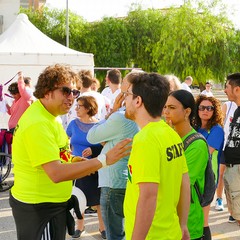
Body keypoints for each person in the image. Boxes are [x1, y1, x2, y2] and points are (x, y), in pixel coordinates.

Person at [9, 64, 132, 240]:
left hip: (49, 206)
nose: (71, 98)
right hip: (40, 208)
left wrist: (75, 161)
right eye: (66, 91)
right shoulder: (38, 123)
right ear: (47, 91)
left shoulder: (50, 116)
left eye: (74, 92)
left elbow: (58, 154)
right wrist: (104, 160)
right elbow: (56, 173)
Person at [123, 72, 190, 240]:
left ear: (138, 101)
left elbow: (148, 196)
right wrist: (182, 225)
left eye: (127, 95)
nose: (124, 100)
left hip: (151, 235)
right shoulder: (170, 133)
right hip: (171, 231)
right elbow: (184, 182)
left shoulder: (145, 139)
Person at [87, 72, 139, 240]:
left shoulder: (120, 117)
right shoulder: (141, 117)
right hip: (129, 178)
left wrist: (112, 113)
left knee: (114, 235)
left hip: (113, 180)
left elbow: (92, 136)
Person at [164, 89, 209, 240]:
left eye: (172, 108)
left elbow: (180, 182)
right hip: (168, 221)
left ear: (187, 111)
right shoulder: (169, 137)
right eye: (165, 107)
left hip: (188, 224)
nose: (166, 112)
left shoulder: (197, 144)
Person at [66, 95, 106, 239]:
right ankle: (80, 226)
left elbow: (106, 148)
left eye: (79, 106)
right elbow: (64, 143)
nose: (75, 108)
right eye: (76, 106)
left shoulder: (100, 125)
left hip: (95, 167)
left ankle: (103, 227)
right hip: (77, 167)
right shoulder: (72, 124)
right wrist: (70, 156)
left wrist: (93, 150)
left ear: (89, 108)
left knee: (99, 199)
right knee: (78, 197)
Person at [193, 95, 224, 239]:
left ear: (214, 111)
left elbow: (205, 152)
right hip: (194, 175)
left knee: (204, 221)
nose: (205, 111)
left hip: (208, 177)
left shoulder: (216, 130)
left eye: (209, 108)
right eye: (202, 107)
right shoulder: (195, 128)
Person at [223, 72, 240, 226]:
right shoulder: (236, 110)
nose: (224, 90)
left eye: (227, 87)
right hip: (232, 169)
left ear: (237, 90)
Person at [215, 100, 237, 216]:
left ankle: (234, 209)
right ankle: (219, 199)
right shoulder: (228, 105)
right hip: (226, 147)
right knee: (222, 174)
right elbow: (220, 125)